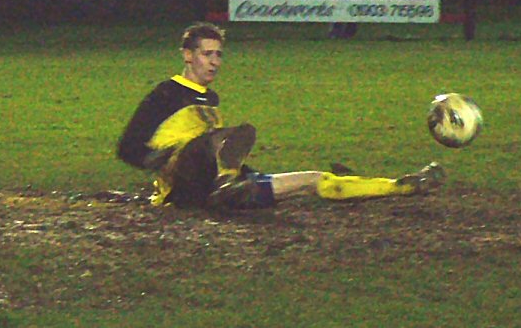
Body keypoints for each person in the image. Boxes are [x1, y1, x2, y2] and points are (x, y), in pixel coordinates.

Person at [117, 22, 444, 209]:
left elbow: (219, 152)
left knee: (315, 180)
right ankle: (228, 185)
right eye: (207, 54)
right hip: (181, 189)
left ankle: (402, 186)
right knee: (230, 136)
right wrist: (159, 160)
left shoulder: (210, 98)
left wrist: (250, 174)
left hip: (212, 195)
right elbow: (127, 148)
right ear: (188, 56)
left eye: (219, 54)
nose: (215, 62)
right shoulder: (165, 93)